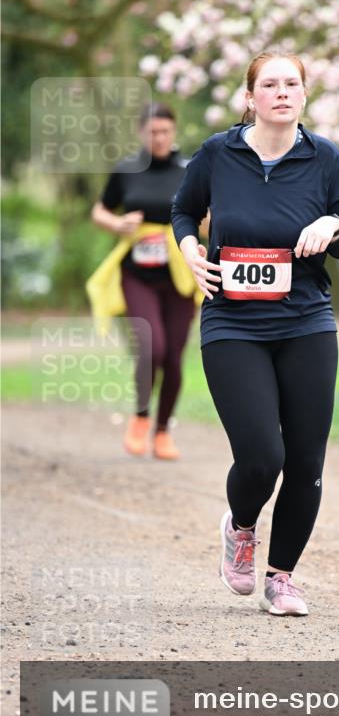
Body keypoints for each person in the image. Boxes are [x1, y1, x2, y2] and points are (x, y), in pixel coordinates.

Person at [171, 51, 339, 616]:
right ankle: (241, 525)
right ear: (250, 97)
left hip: (306, 320)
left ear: (304, 95)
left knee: (305, 460)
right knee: (261, 456)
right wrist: (190, 252)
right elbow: (183, 211)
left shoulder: (323, 157)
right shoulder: (218, 153)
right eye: (270, 84)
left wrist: (332, 224)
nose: (282, 92)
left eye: (291, 84)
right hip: (232, 321)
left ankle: (282, 578)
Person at [89, 102, 200, 460]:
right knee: (153, 347)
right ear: (141, 133)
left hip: (180, 275)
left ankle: (163, 431)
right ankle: (140, 417)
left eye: (165, 131)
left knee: (174, 356)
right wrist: (117, 224)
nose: (159, 138)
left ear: (174, 131)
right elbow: (100, 210)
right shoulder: (127, 170)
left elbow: (208, 216)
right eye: (152, 132)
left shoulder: (191, 170)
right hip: (137, 274)